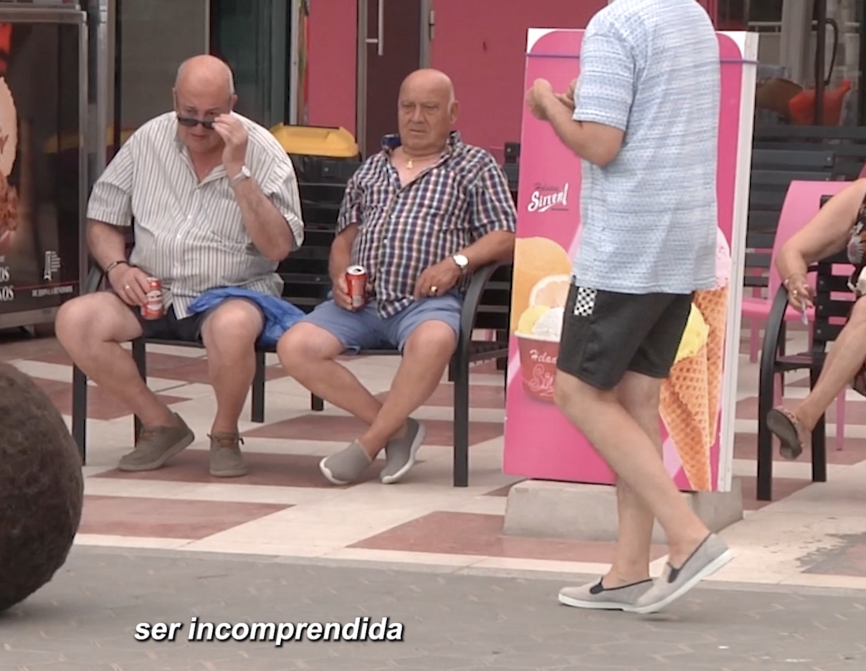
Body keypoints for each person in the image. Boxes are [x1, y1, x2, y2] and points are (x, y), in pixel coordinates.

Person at [524, 0, 734, 614]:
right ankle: (628, 570)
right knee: (638, 397)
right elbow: (637, 117)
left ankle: (688, 536)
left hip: (626, 245)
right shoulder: (691, 16)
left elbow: (600, 145)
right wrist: (583, 98)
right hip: (683, 234)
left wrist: (544, 103)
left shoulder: (615, 24)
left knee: (576, 390)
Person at [54, 55, 304, 478]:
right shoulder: (149, 139)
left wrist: (239, 173)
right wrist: (117, 267)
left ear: (233, 104)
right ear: (175, 101)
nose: (200, 130)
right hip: (155, 287)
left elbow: (279, 246)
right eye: (189, 117)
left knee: (232, 327)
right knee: (75, 319)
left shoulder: (262, 151)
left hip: (231, 291)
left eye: (213, 118)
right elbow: (103, 217)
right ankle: (160, 423)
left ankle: (224, 433)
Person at [275, 69, 516, 486]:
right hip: (362, 304)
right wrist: (340, 279)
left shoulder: (475, 166)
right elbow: (343, 242)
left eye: (429, 108)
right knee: (295, 345)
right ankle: (397, 429)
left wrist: (456, 262)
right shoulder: (370, 170)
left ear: (452, 113)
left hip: (426, 305)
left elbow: (506, 236)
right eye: (408, 107)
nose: (417, 118)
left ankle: (368, 444)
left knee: (436, 340)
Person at [766, 179, 866, 459]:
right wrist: (796, 279)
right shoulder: (861, 196)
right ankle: (803, 420)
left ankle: (804, 418)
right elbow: (792, 251)